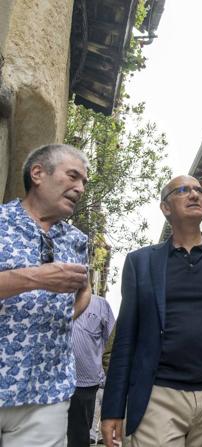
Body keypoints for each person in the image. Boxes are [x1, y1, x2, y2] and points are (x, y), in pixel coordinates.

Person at [100, 175, 202, 447]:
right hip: (157, 396)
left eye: (198, 189)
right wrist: (113, 408)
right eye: (183, 190)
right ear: (165, 208)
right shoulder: (141, 263)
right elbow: (126, 338)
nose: (194, 194)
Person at [0, 144, 91, 446]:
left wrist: (65, 314)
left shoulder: (77, 240)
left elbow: (84, 291)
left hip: (47, 392)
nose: (80, 188)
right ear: (38, 173)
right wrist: (36, 278)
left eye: (84, 182)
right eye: (73, 176)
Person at [67, 294, 115, 447]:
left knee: (79, 436)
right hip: (49, 382)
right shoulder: (50, 297)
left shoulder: (101, 305)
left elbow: (113, 345)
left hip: (85, 384)